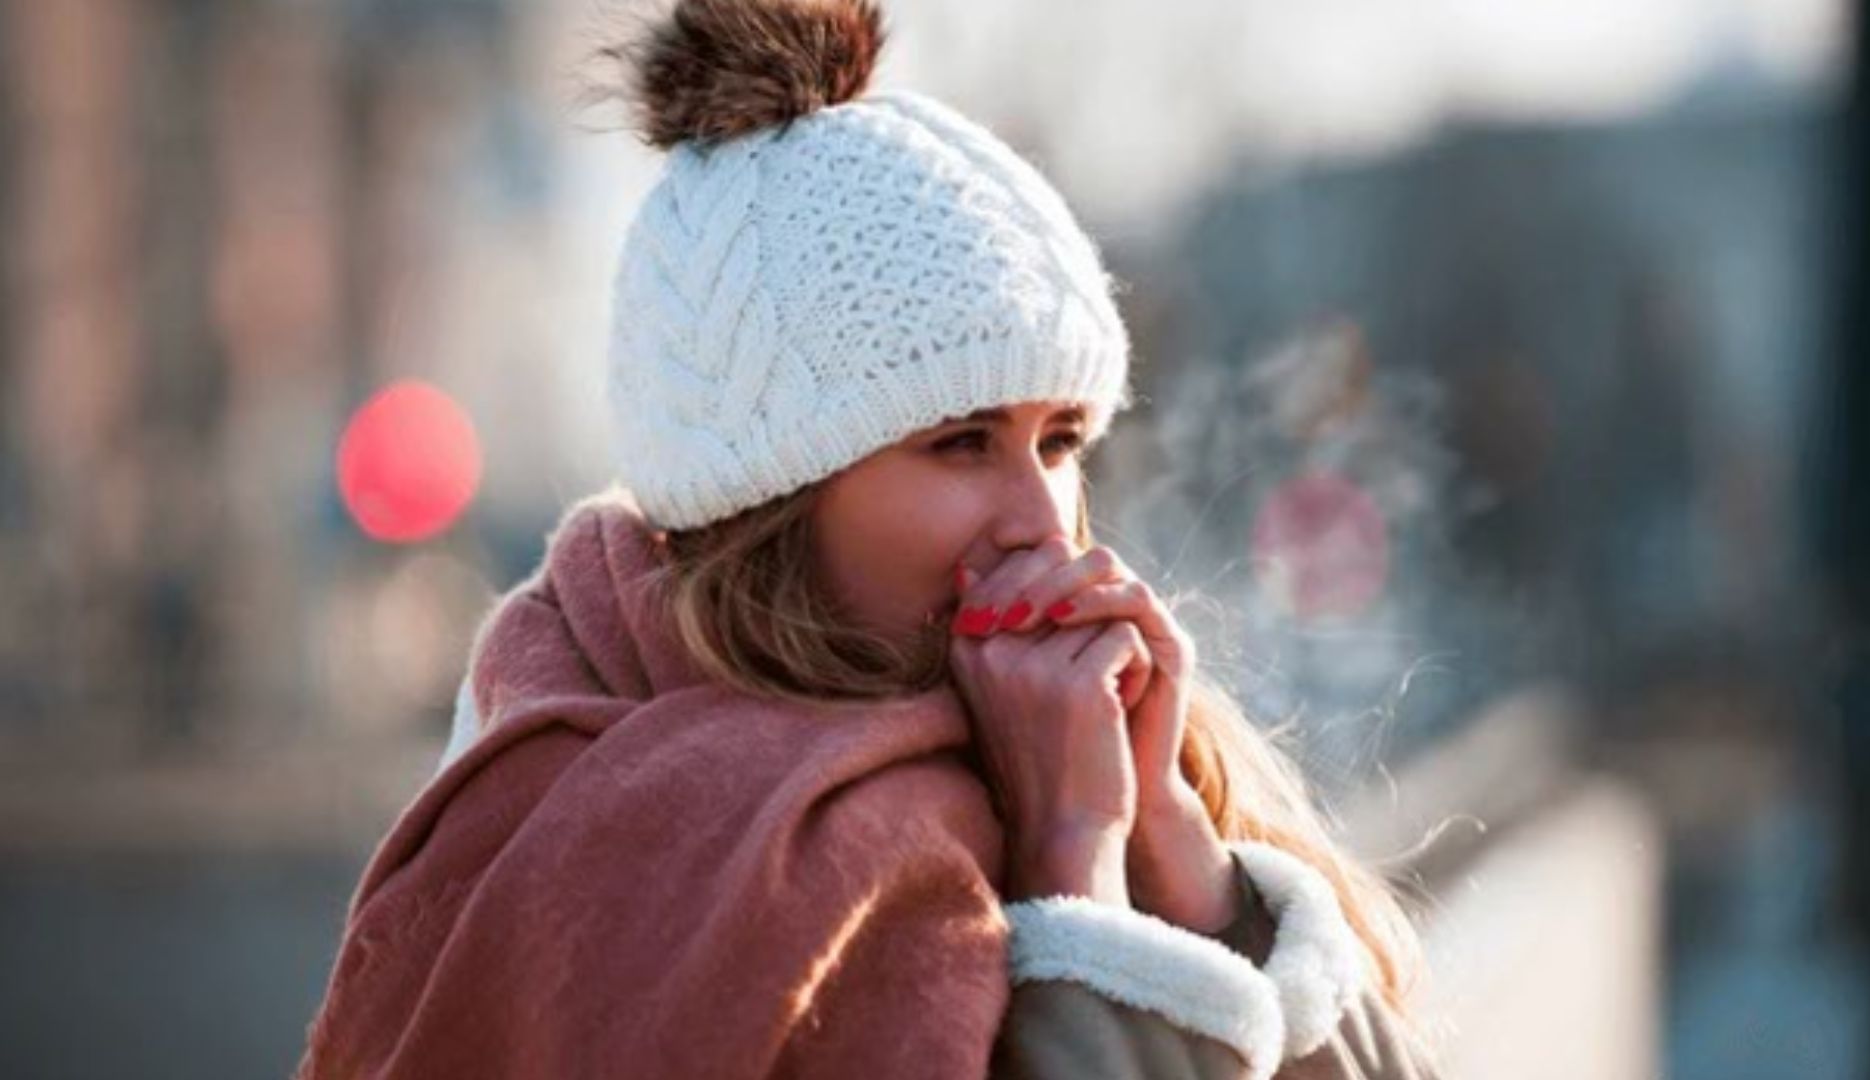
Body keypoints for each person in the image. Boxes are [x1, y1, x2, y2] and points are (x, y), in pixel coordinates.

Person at [297, 1, 1447, 1076]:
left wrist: (1181, 853)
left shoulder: (1116, 749)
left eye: (1060, 441)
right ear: (774, 500)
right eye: (960, 443)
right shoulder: (597, 829)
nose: (1042, 518)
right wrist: (1073, 880)